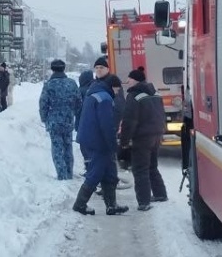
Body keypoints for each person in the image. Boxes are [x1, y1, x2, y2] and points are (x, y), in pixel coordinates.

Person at [71, 58, 128, 216]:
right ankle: (80, 204)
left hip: (91, 138)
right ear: (113, 87)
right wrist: (112, 145)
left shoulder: (95, 91)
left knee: (110, 172)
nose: (117, 93)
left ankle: (112, 205)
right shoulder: (104, 98)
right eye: (117, 90)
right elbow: (106, 125)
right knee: (95, 173)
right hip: (97, 141)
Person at [120, 67, 169, 210]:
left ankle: (144, 202)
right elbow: (162, 114)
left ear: (135, 80)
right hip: (156, 134)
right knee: (152, 166)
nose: (127, 81)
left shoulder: (134, 96)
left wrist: (124, 140)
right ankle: (160, 193)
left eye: (129, 79)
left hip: (141, 137)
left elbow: (130, 120)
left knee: (140, 169)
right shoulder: (156, 94)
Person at [38, 58, 81, 179]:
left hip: (54, 121)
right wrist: (73, 113)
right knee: (68, 146)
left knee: (57, 148)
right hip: (68, 120)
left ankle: (62, 175)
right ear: (64, 68)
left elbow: (43, 103)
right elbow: (78, 102)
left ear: (52, 69)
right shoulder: (72, 83)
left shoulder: (49, 85)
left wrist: (44, 118)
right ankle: (69, 172)